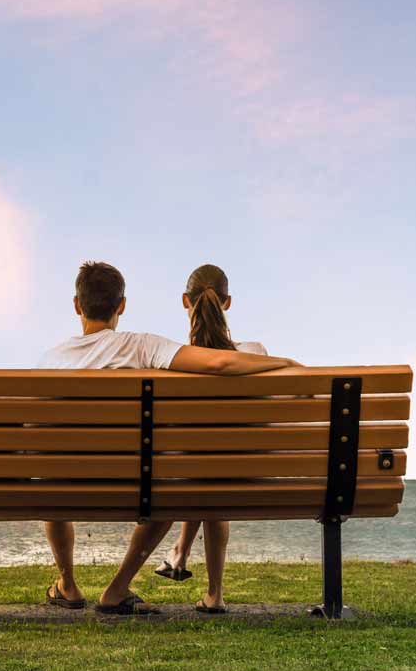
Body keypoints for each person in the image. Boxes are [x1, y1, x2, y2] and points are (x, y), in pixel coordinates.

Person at [37, 261, 298, 616]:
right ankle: (116, 590)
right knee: (168, 492)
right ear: (121, 306)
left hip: (58, 488)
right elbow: (219, 364)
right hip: (135, 486)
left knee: (51, 473)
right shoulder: (141, 346)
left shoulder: (49, 360)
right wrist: (286, 362)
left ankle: (67, 583)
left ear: (76, 305)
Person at [153, 263, 269, 613]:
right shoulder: (255, 353)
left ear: (185, 301)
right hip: (245, 475)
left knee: (202, 463)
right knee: (215, 466)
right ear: (228, 302)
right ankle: (213, 591)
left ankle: (180, 552)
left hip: (183, 474)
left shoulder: (173, 361)